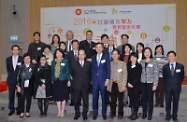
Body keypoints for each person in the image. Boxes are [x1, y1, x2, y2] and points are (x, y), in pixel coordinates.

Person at [163, 51, 184, 121]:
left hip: (176, 88)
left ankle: (174, 116)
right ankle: (168, 115)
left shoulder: (180, 66)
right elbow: (164, 77)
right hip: (168, 87)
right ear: (167, 58)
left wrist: (176, 83)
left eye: (172, 56)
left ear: (175, 57)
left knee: (176, 102)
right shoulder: (165, 67)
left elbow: (181, 77)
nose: (171, 57)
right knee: (167, 102)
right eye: (169, 56)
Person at [70, 49, 91, 120]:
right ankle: (77, 114)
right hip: (76, 85)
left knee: (85, 101)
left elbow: (90, 74)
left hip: (85, 86)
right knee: (76, 101)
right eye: (80, 54)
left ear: (85, 55)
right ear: (78, 55)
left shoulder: (88, 63)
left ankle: (84, 114)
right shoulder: (74, 63)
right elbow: (72, 74)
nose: (81, 56)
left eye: (82, 54)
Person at [91, 43, 110, 120]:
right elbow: (92, 69)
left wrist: (107, 79)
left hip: (103, 81)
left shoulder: (106, 57)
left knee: (104, 98)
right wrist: (91, 79)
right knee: (94, 97)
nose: (98, 49)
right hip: (95, 80)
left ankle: (104, 113)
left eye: (100, 47)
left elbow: (108, 69)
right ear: (95, 49)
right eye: (97, 47)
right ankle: (95, 113)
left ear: (102, 48)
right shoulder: (93, 57)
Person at [140, 47, 159, 120]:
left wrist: (155, 84)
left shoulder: (154, 62)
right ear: (143, 53)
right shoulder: (141, 62)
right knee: (143, 99)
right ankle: (144, 113)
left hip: (150, 83)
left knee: (150, 99)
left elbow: (156, 74)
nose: (146, 53)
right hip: (143, 83)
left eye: (148, 52)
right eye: (145, 52)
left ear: (150, 53)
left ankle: (150, 114)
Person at [107, 49, 127, 120]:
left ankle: (120, 114)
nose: (114, 55)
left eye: (116, 54)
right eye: (113, 54)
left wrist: (124, 85)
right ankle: (113, 113)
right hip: (112, 84)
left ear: (118, 55)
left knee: (120, 101)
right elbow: (108, 75)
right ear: (111, 56)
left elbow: (125, 75)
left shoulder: (123, 63)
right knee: (112, 100)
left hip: (120, 84)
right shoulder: (109, 64)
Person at [51, 49, 70, 118]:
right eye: (57, 53)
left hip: (63, 80)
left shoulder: (65, 61)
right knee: (57, 96)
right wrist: (52, 79)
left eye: (59, 53)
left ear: (62, 54)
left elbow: (68, 71)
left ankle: (62, 111)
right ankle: (59, 111)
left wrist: (68, 80)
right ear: (55, 54)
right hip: (56, 80)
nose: (58, 54)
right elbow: (52, 71)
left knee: (63, 96)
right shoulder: (53, 62)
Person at [17, 53, 35, 118]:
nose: (27, 60)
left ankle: (27, 111)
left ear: (30, 59)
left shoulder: (33, 67)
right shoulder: (20, 67)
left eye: (28, 58)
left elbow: (34, 77)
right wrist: (18, 86)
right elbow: (17, 77)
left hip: (30, 85)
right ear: (23, 59)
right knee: (22, 99)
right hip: (22, 85)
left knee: (29, 99)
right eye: (25, 58)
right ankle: (22, 112)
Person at [6, 45, 23, 116]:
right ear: (12, 51)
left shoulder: (22, 59)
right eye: (14, 50)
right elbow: (9, 70)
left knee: (19, 95)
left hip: (19, 80)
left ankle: (19, 109)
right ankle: (11, 109)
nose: (15, 51)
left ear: (19, 51)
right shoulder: (8, 59)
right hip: (11, 80)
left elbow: (22, 70)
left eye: (17, 50)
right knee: (11, 95)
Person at [127, 52, 142, 120]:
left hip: (136, 85)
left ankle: (135, 113)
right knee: (131, 99)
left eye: (134, 57)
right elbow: (126, 75)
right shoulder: (127, 65)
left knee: (136, 99)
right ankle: (132, 113)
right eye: (131, 57)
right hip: (129, 84)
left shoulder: (139, 66)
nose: (133, 58)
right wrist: (128, 83)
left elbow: (138, 76)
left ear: (137, 58)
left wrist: (132, 83)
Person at [67, 39, 79, 106]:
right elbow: (67, 65)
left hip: (80, 74)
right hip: (71, 73)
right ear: (72, 45)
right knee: (72, 88)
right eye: (73, 44)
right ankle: (73, 101)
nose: (75, 45)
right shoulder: (69, 54)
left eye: (76, 44)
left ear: (78, 45)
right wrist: (69, 74)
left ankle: (78, 101)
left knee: (79, 88)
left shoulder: (81, 52)